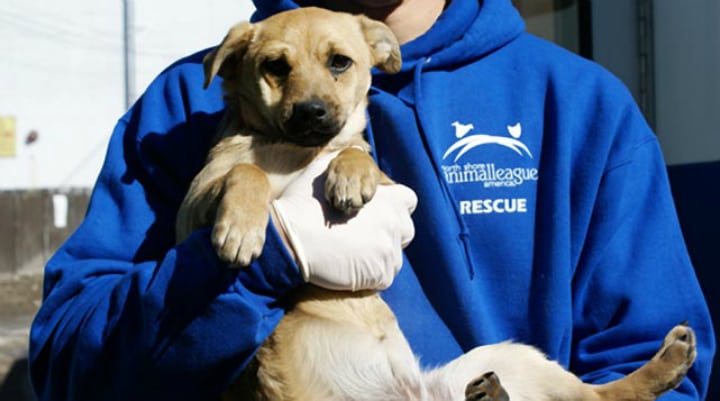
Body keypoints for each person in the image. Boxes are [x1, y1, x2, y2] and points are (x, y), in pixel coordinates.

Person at [28, 0, 715, 400]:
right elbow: (67, 365)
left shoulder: (579, 104)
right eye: (281, 70)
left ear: (370, 59)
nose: (311, 92)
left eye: (338, 65)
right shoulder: (188, 103)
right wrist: (258, 266)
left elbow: (647, 355)